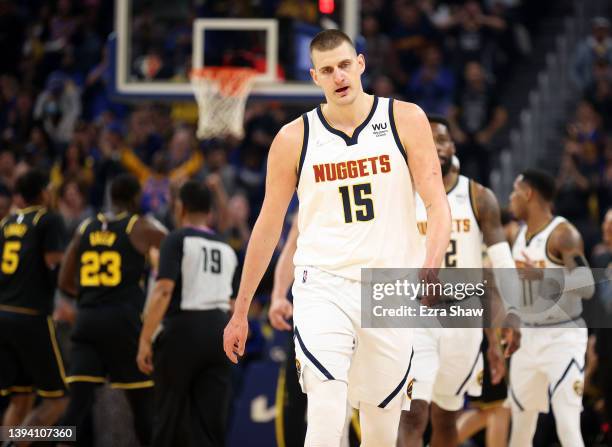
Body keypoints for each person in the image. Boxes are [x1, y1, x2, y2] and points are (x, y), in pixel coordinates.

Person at [223, 29, 452, 446]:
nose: (339, 76)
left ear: (361, 64)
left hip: (388, 288)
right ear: (315, 77)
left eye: (345, 65)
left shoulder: (405, 119)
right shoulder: (294, 138)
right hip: (322, 284)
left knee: (382, 433)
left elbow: (438, 204)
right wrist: (241, 311)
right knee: (327, 411)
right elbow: (268, 227)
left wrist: (431, 263)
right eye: (327, 70)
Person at [398, 116, 519, 447]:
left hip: (463, 319)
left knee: (446, 416)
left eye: (444, 140)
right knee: (412, 413)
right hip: (416, 313)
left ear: (454, 146)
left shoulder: (479, 196)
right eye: (430, 140)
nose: (438, 147)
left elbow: (501, 261)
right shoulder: (403, 195)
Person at [57, 173, 166, 446]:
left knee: (75, 407)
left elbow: (63, 281)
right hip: (123, 323)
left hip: (87, 320)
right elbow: (174, 243)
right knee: (142, 406)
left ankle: (51, 441)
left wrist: (91, 295)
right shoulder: (136, 226)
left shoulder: (85, 227)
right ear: (135, 198)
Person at [136, 180, 239, 447]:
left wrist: (145, 339)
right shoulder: (227, 247)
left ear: (180, 208)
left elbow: (163, 291)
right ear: (210, 212)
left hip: (183, 332)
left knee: (168, 417)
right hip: (219, 332)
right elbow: (233, 300)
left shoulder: (176, 238)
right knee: (210, 425)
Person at [508, 169, 595, 447]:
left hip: (562, 337)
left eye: (515, 191)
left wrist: (543, 276)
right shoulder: (520, 235)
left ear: (529, 194)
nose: (511, 198)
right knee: (520, 430)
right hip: (527, 338)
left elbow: (587, 284)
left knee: (568, 428)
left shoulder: (563, 234)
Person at [0, 169, 68, 431]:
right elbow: (53, 265)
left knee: (21, 398)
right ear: (43, 192)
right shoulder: (49, 219)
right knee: (59, 400)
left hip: (2, 313)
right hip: (30, 316)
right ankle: (18, 441)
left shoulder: (5, 223)